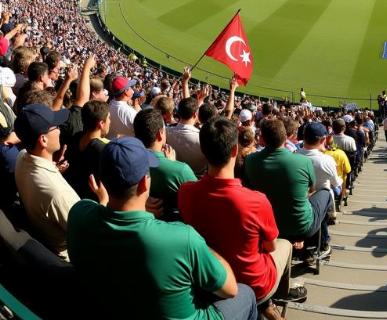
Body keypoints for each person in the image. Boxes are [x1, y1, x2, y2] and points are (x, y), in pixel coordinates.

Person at [68, 137, 257, 320]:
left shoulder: (78, 213)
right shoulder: (183, 239)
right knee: (246, 294)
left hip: (112, 306)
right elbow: (230, 288)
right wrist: (201, 245)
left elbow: (101, 211)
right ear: (144, 183)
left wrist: (106, 201)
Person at [179, 117, 301, 313]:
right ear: (235, 150)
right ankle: (275, 300)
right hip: (252, 284)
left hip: (208, 280)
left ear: (203, 150)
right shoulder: (256, 200)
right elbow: (270, 246)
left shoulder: (186, 192)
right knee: (284, 244)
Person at [244, 118, 332, 258]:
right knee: (326, 192)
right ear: (286, 138)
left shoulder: (250, 161)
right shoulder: (303, 161)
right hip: (300, 227)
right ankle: (319, 245)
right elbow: (311, 190)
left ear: (262, 139)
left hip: (265, 225)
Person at [14, 103, 79, 258]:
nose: (59, 129)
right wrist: (103, 203)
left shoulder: (21, 157)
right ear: (43, 139)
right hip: (69, 259)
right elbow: (88, 235)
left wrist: (52, 169)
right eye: (55, 126)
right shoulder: (58, 193)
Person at [134, 107, 196, 221]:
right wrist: (173, 164)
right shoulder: (180, 170)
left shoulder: (124, 160)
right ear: (160, 134)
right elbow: (200, 201)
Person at [168, 96, 206, 176]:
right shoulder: (203, 138)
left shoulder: (165, 132)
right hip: (195, 179)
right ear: (195, 114)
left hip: (172, 175)